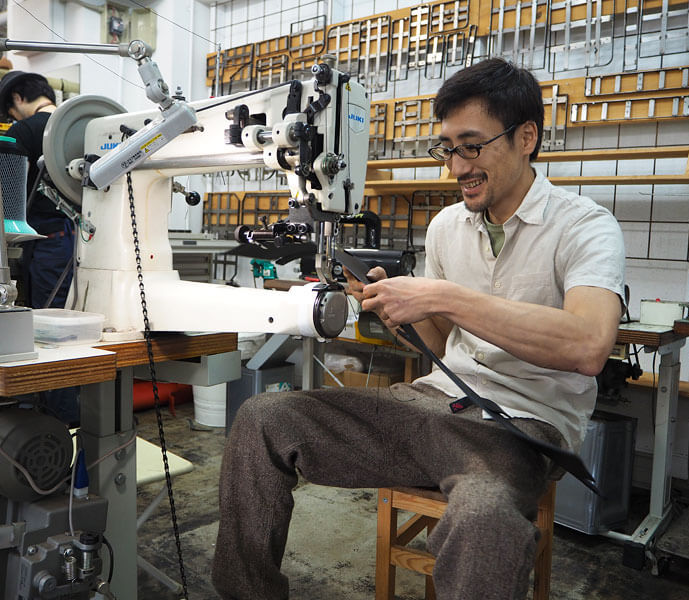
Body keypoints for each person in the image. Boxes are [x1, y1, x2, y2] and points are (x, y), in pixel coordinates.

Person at [212, 58, 625, 600]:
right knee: (264, 419)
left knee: (484, 519)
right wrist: (399, 310)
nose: (456, 166)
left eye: (471, 146)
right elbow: (436, 347)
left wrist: (441, 295)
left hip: (520, 428)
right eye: (447, 148)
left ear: (527, 138)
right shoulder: (448, 226)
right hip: (435, 404)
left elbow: (589, 345)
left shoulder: (586, 226)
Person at [0, 70, 78, 424]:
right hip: (84, 242)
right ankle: (81, 417)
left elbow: (0, 193)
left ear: (17, 99)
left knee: (49, 334)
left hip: (48, 247)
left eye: (10, 112)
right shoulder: (81, 129)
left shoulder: (24, 132)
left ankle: (57, 424)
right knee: (76, 331)